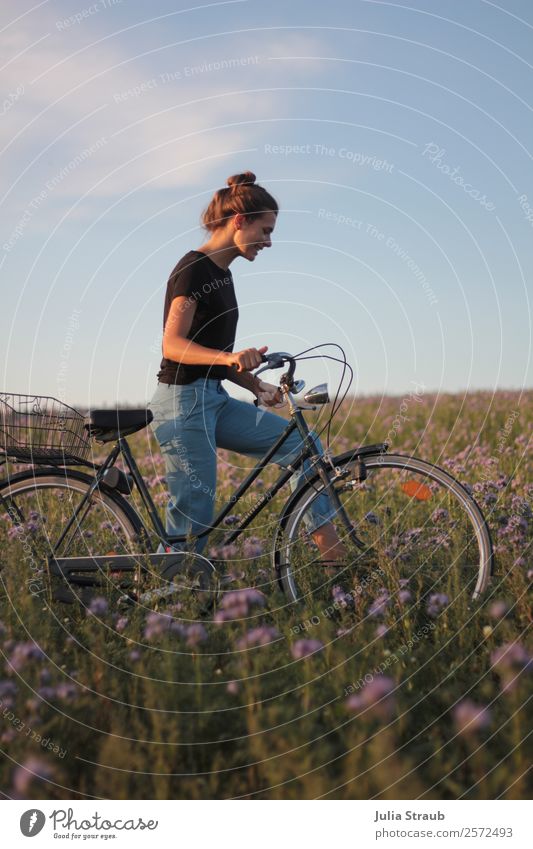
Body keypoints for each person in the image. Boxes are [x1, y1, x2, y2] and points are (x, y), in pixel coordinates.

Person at [149, 171, 346, 564]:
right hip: (182, 403)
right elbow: (173, 344)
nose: (269, 241)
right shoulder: (194, 268)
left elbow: (217, 354)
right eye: (266, 230)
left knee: (304, 448)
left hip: (213, 399)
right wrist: (227, 359)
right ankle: (162, 592)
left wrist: (254, 385)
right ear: (240, 221)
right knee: (195, 513)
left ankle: (334, 559)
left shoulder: (223, 276)